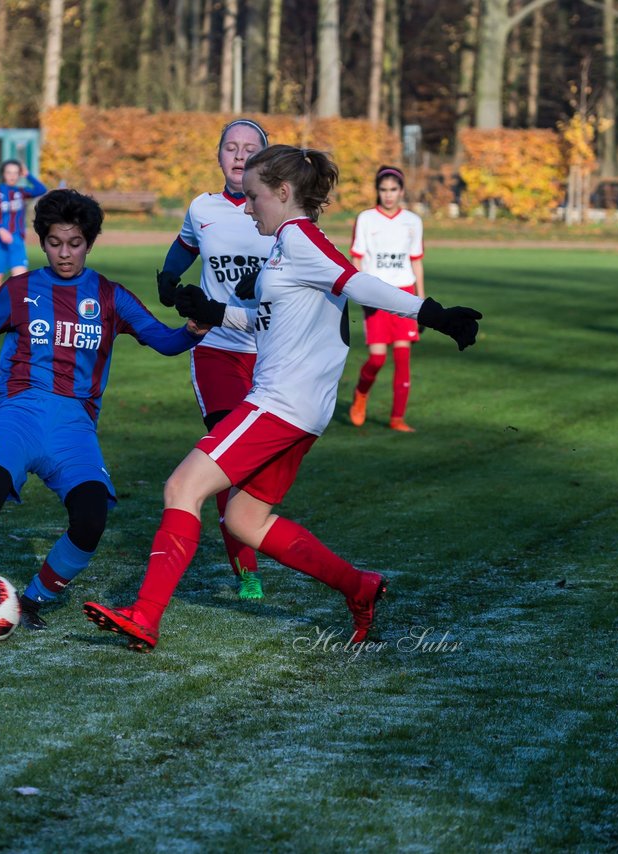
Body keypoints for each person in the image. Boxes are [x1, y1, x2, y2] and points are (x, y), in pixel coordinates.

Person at [83, 145, 482, 652]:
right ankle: (358, 587)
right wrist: (212, 309)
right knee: (245, 521)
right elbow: (273, 320)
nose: (247, 208)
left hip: (279, 403)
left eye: (253, 197)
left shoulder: (298, 237)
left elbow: (358, 283)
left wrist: (434, 313)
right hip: (302, 410)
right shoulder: (287, 245)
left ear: (284, 192)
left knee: (183, 487)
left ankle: (145, 616)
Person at [0, 189, 209, 631]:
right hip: (18, 413)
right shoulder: (19, 290)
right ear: (42, 241)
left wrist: (193, 331)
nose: (65, 253)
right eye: (54, 243)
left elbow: (163, 341)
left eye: (75, 243)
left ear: (90, 242)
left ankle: (31, 601)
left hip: (73, 426)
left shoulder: (110, 297)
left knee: (91, 518)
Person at [156, 118, 274, 601]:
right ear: (219, 155)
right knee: (228, 457)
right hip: (218, 350)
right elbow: (185, 244)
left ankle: (252, 532)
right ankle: (246, 568)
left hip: (273, 353)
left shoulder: (281, 209)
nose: (240, 155)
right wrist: (168, 274)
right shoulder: (202, 208)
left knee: (261, 467)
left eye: (250, 149)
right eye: (231, 147)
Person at [347, 165, 426, 431]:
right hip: (376, 293)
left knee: (403, 357)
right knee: (378, 357)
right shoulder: (367, 218)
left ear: (401, 191)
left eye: (393, 189)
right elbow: (356, 257)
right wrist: (360, 289)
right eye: (383, 189)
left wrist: (422, 301)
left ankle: (397, 419)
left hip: (404, 294)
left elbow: (416, 262)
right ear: (377, 191)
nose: (388, 195)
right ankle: (361, 394)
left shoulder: (413, 221)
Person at [0, 159, 47, 301]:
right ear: (3, 174)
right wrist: (1, 230)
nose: (12, 176)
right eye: (9, 172)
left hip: (17, 242)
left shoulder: (21, 192)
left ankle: (18, 320)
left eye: (16, 173)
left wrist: (28, 175)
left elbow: (41, 189)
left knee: (21, 283)